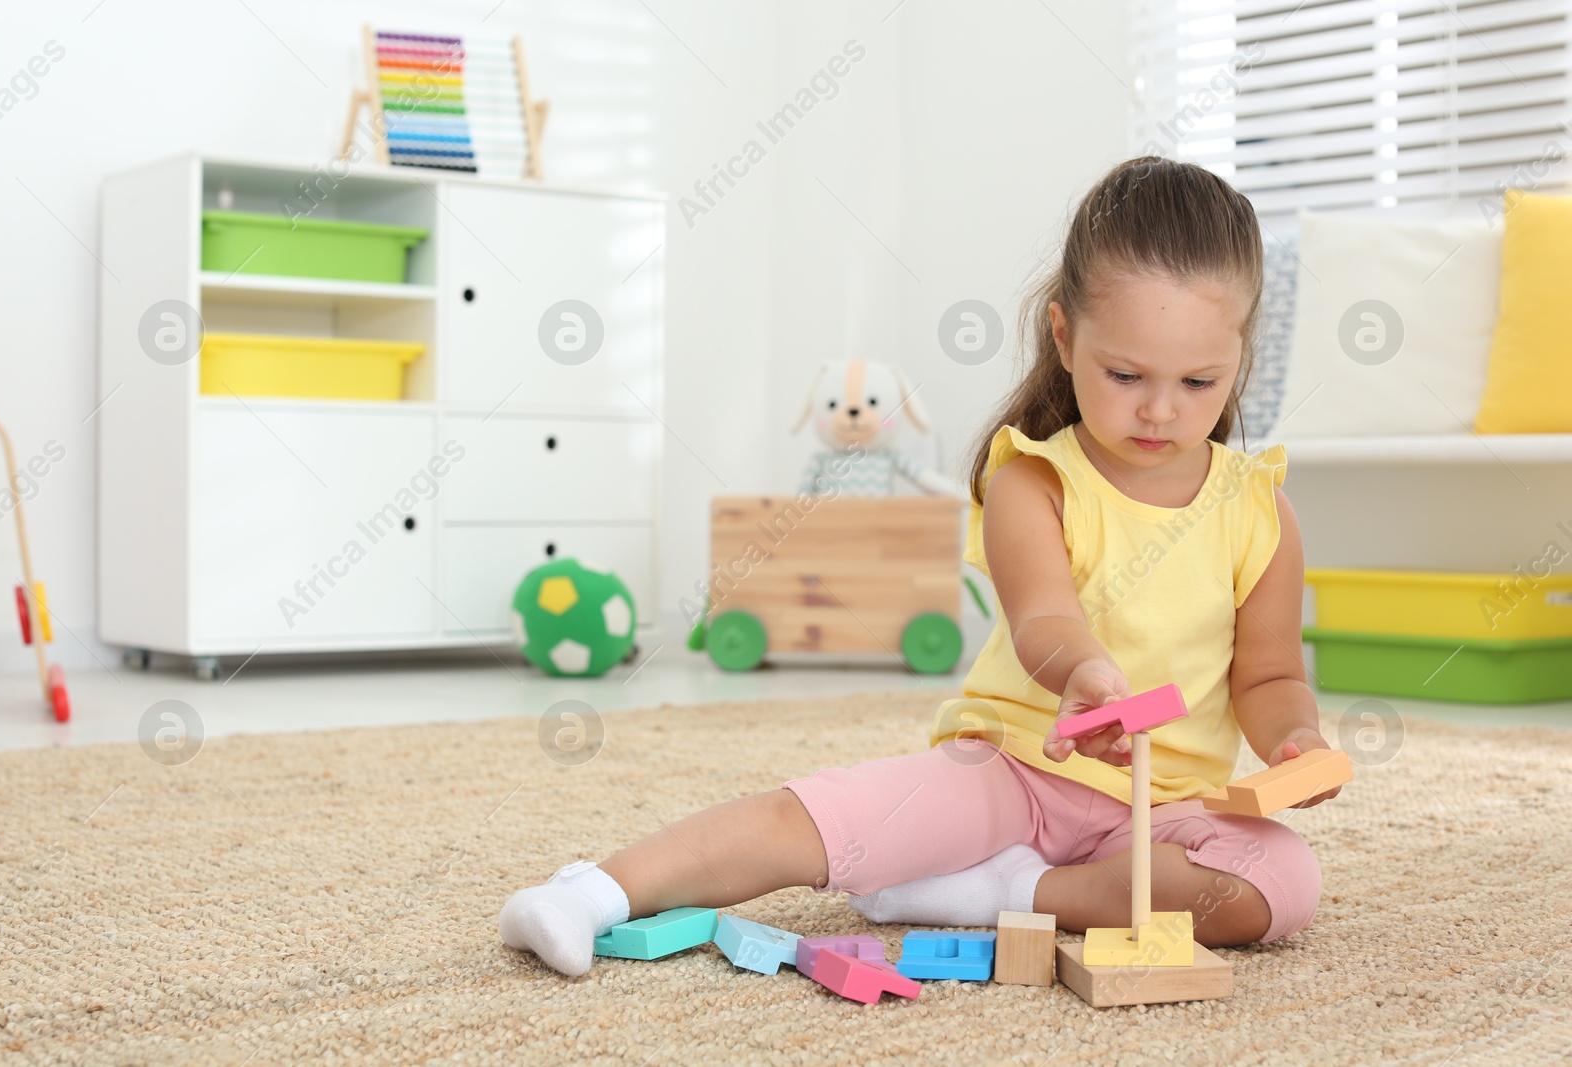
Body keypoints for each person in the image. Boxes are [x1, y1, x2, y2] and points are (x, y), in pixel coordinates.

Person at [499, 156, 1335, 978]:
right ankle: (597, 889)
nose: (1160, 409)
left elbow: (1268, 676)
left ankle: (1016, 890)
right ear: (1064, 335)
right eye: (1125, 375)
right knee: (824, 820)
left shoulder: (1259, 508)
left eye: (1198, 380)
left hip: (1162, 810)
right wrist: (1084, 670)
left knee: (1281, 885)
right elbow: (1044, 618)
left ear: (1239, 354)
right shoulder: (1033, 479)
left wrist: (1294, 739)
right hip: (1013, 771)